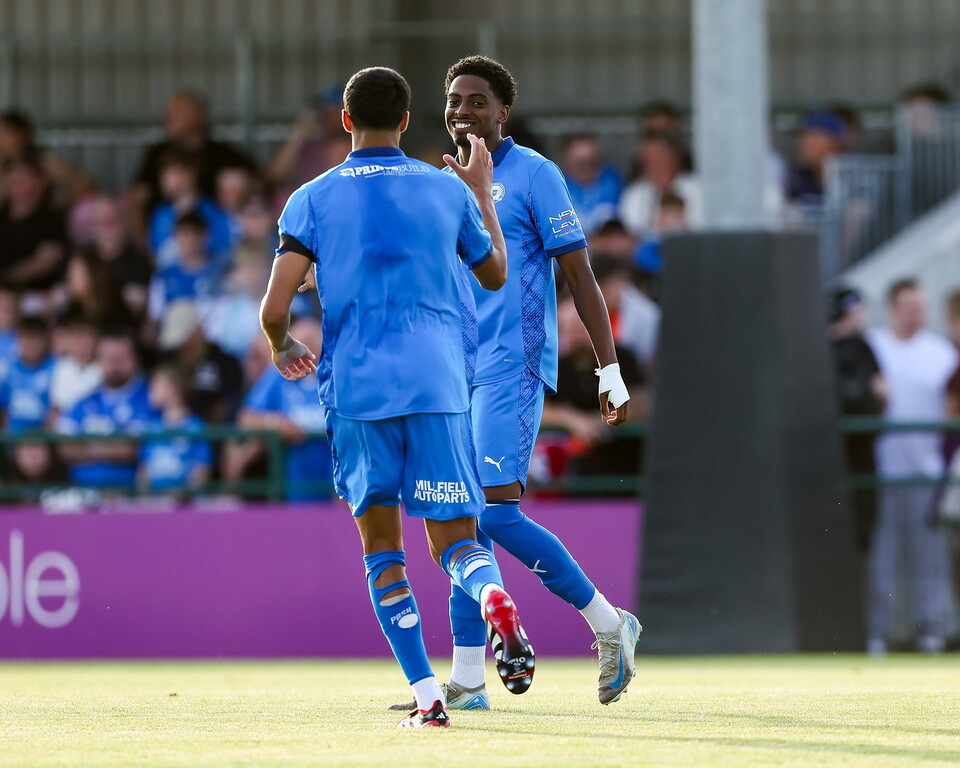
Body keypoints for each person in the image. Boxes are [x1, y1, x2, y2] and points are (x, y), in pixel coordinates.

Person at [262, 66, 529, 729]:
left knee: (384, 549)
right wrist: (481, 197)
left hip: (358, 393)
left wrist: (282, 345)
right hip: (439, 386)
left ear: (345, 121)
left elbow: (274, 306)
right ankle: (492, 594)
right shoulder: (444, 190)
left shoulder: (312, 199)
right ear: (408, 122)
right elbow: (495, 275)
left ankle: (428, 695)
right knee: (455, 544)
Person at [397, 55, 640, 711]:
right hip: (454, 371)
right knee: (459, 515)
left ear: (503, 111)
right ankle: (470, 680)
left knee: (491, 512)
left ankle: (611, 625)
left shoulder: (535, 175)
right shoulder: (439, 184)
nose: (463, 112)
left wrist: (609, 370)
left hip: (513, 364)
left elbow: (580, 275)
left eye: (477, 101)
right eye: (454, 101)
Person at [867, 279, 957, 654]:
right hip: (883, 469)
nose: (914, 314)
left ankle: (930, 631)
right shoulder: (874, 347)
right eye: (907, 307)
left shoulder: (941, 353)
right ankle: (879, 633)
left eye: (920, 307)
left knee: (929, 559)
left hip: (928, 471)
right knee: (883, 557)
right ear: (891, 308)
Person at [132, 90, 257, 237]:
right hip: (165, 240)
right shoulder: (157, 154)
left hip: (216, 240)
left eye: (177, 112)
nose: (168, 117)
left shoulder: (223, 154)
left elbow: (261, 181)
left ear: (198, 116)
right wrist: (144, 246)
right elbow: (137, 199)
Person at [238, 317, 333, 501]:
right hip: (296, 486)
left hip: (339, 480)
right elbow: (247, 418)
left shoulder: (337, 374)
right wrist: (276, 424)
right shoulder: (281, 374)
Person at [57, 328, 155, 490]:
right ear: (99, 361)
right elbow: (65, 448)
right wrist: (111, 446)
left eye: (121, 358)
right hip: (82, 493)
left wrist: (88, 446)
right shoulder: (85, 401)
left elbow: (131, 449)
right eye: (109, 359)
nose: (115, 365)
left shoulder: (150, 399)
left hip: (128, 495)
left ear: (135, 359)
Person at [827, 287, 886, 552]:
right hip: (836, 453)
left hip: (860, 450)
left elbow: (882, 393)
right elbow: (882, 391)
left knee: (861, 526)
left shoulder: (862, 346)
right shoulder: (829, 346)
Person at [157, 300, 244, 424]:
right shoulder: (168, 361)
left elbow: (230, 405)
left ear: (198, 332)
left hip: (214, 434)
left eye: (186, 340)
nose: (183, 347)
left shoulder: (226, 364)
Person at [0, 152, 68, 304]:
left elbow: (47, 262)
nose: (15, 184)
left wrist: (6, 276)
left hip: (34, 297)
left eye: (22, 179)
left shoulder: (50, 219)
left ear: (40, 183)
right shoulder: (2, 214)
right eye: (12, 179)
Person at [138, 364, 212, 498]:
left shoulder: (195, 426)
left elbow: (202, 470)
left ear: (172, 389)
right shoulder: (152, 426)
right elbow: (144, 469)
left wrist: (182, 495)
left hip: (186, 505)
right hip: (154, 503)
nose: (150, 391)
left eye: (155, 386)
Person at [0, 109, 95, 209]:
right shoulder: (4, 162)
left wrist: (59, 208)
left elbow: (84, 184)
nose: (1, 138)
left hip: (36, 221)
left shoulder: (41, 159)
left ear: (21, 134)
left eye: (5, 133)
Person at [619, 129, 700, 237]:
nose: (652, 162)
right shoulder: (634, 194)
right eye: (647, 157)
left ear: (675, 156)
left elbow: (705, 227)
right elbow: (631, 234)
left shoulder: (697, 188)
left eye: (659, 155)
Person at [0, 316, 56, 434]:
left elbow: (57, 409)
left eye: (35, 339)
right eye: (26, 338)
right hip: (13, 439)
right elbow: (3, 408)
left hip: (43, 439)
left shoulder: (56, 369)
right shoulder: (9, 370)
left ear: (45, 341)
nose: (31, 345)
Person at [559, 133, 621, 237]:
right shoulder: (558, 190)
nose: (587, 167)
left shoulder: (612, 183)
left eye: (593, 162)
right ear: (566, 162)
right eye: (580, 163)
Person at [49, 312, 102, 416]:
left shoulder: (103, 368)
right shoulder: (62, 366)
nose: (83, 343)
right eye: (78, 337)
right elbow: (57, 405)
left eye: (88, 337)